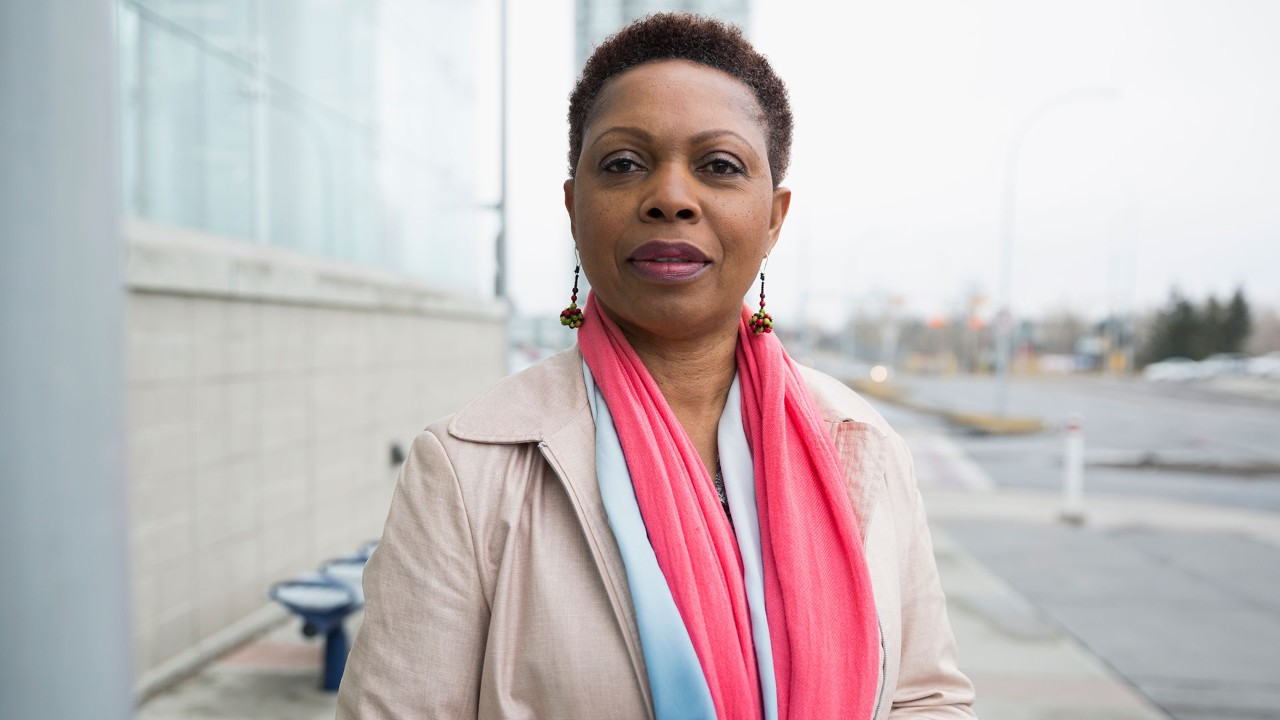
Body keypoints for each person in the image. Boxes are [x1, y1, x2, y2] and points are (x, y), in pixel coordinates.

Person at [337, 12, 975, 720]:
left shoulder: (863, 445)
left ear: (774, 217)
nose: (671, 197)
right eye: (624, 164)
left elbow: (927, 695)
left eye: (719, 166)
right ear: (575, 208)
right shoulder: (468, 470)